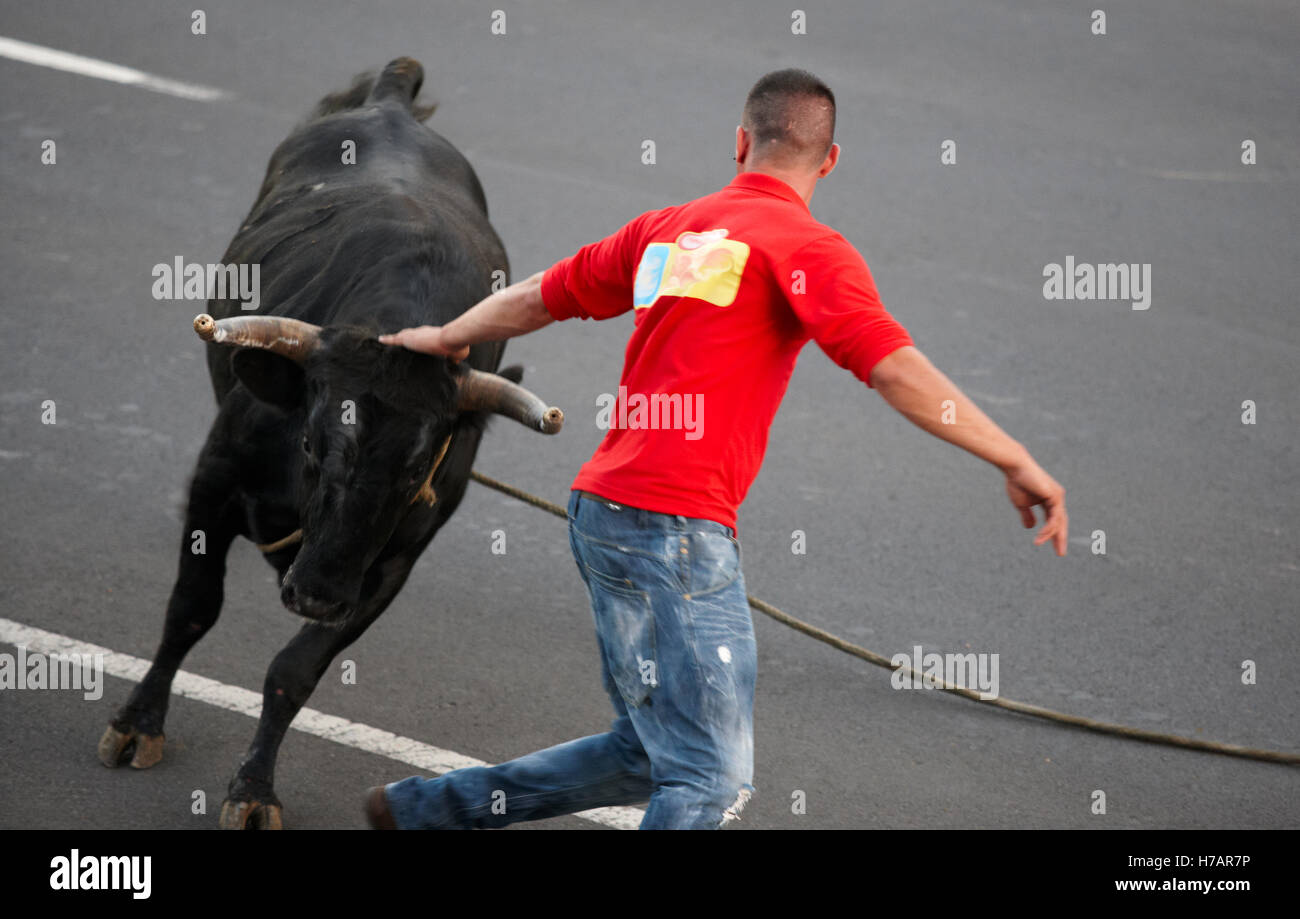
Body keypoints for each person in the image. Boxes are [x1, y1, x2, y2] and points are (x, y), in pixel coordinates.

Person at [367, 68, 1067, 830]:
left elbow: (543, 295)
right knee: (708, 778)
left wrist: (446, 335)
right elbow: (892, 368)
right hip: (674, 532)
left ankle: (420, 812)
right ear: (829, 161)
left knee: (647, 753)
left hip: (604, 511)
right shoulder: (808, 247)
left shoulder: (669, 228)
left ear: (741, 143)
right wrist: (1012, 456)